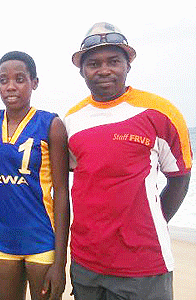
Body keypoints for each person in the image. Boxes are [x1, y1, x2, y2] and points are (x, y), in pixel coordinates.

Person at [64, 22, 193, 300]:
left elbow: (180, 177)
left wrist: (152, 223)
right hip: (86, 262)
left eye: (114, 61)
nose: (104, 70)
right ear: (82, 71)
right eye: (94, 64)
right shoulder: (71, 121)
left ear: (128, 65)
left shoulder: (159, 112)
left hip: (144, 265)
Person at [0, 51, 70, 300]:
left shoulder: (51, 125)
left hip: (41, 240)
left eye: (19, 79)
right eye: (3, 80)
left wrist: (60, 262)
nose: (10, 87)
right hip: (1, 242)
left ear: (34, 83)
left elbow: (61, 192)